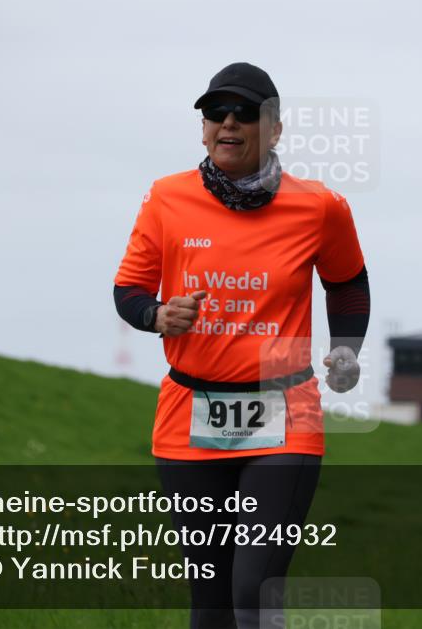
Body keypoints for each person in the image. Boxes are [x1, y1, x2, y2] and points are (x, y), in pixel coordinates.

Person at [112, 62, 370, 629]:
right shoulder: (166, 198)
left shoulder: (319, 206)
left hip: (284, 414)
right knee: (210, 602)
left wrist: (347, 350)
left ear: (274, 128)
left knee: (252, 590)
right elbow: (129, 289)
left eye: (245, 113)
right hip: (189, 416)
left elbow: (347, 279)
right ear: (203, 127)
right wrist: (157, 315)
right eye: (215, 112)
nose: (228, 123)